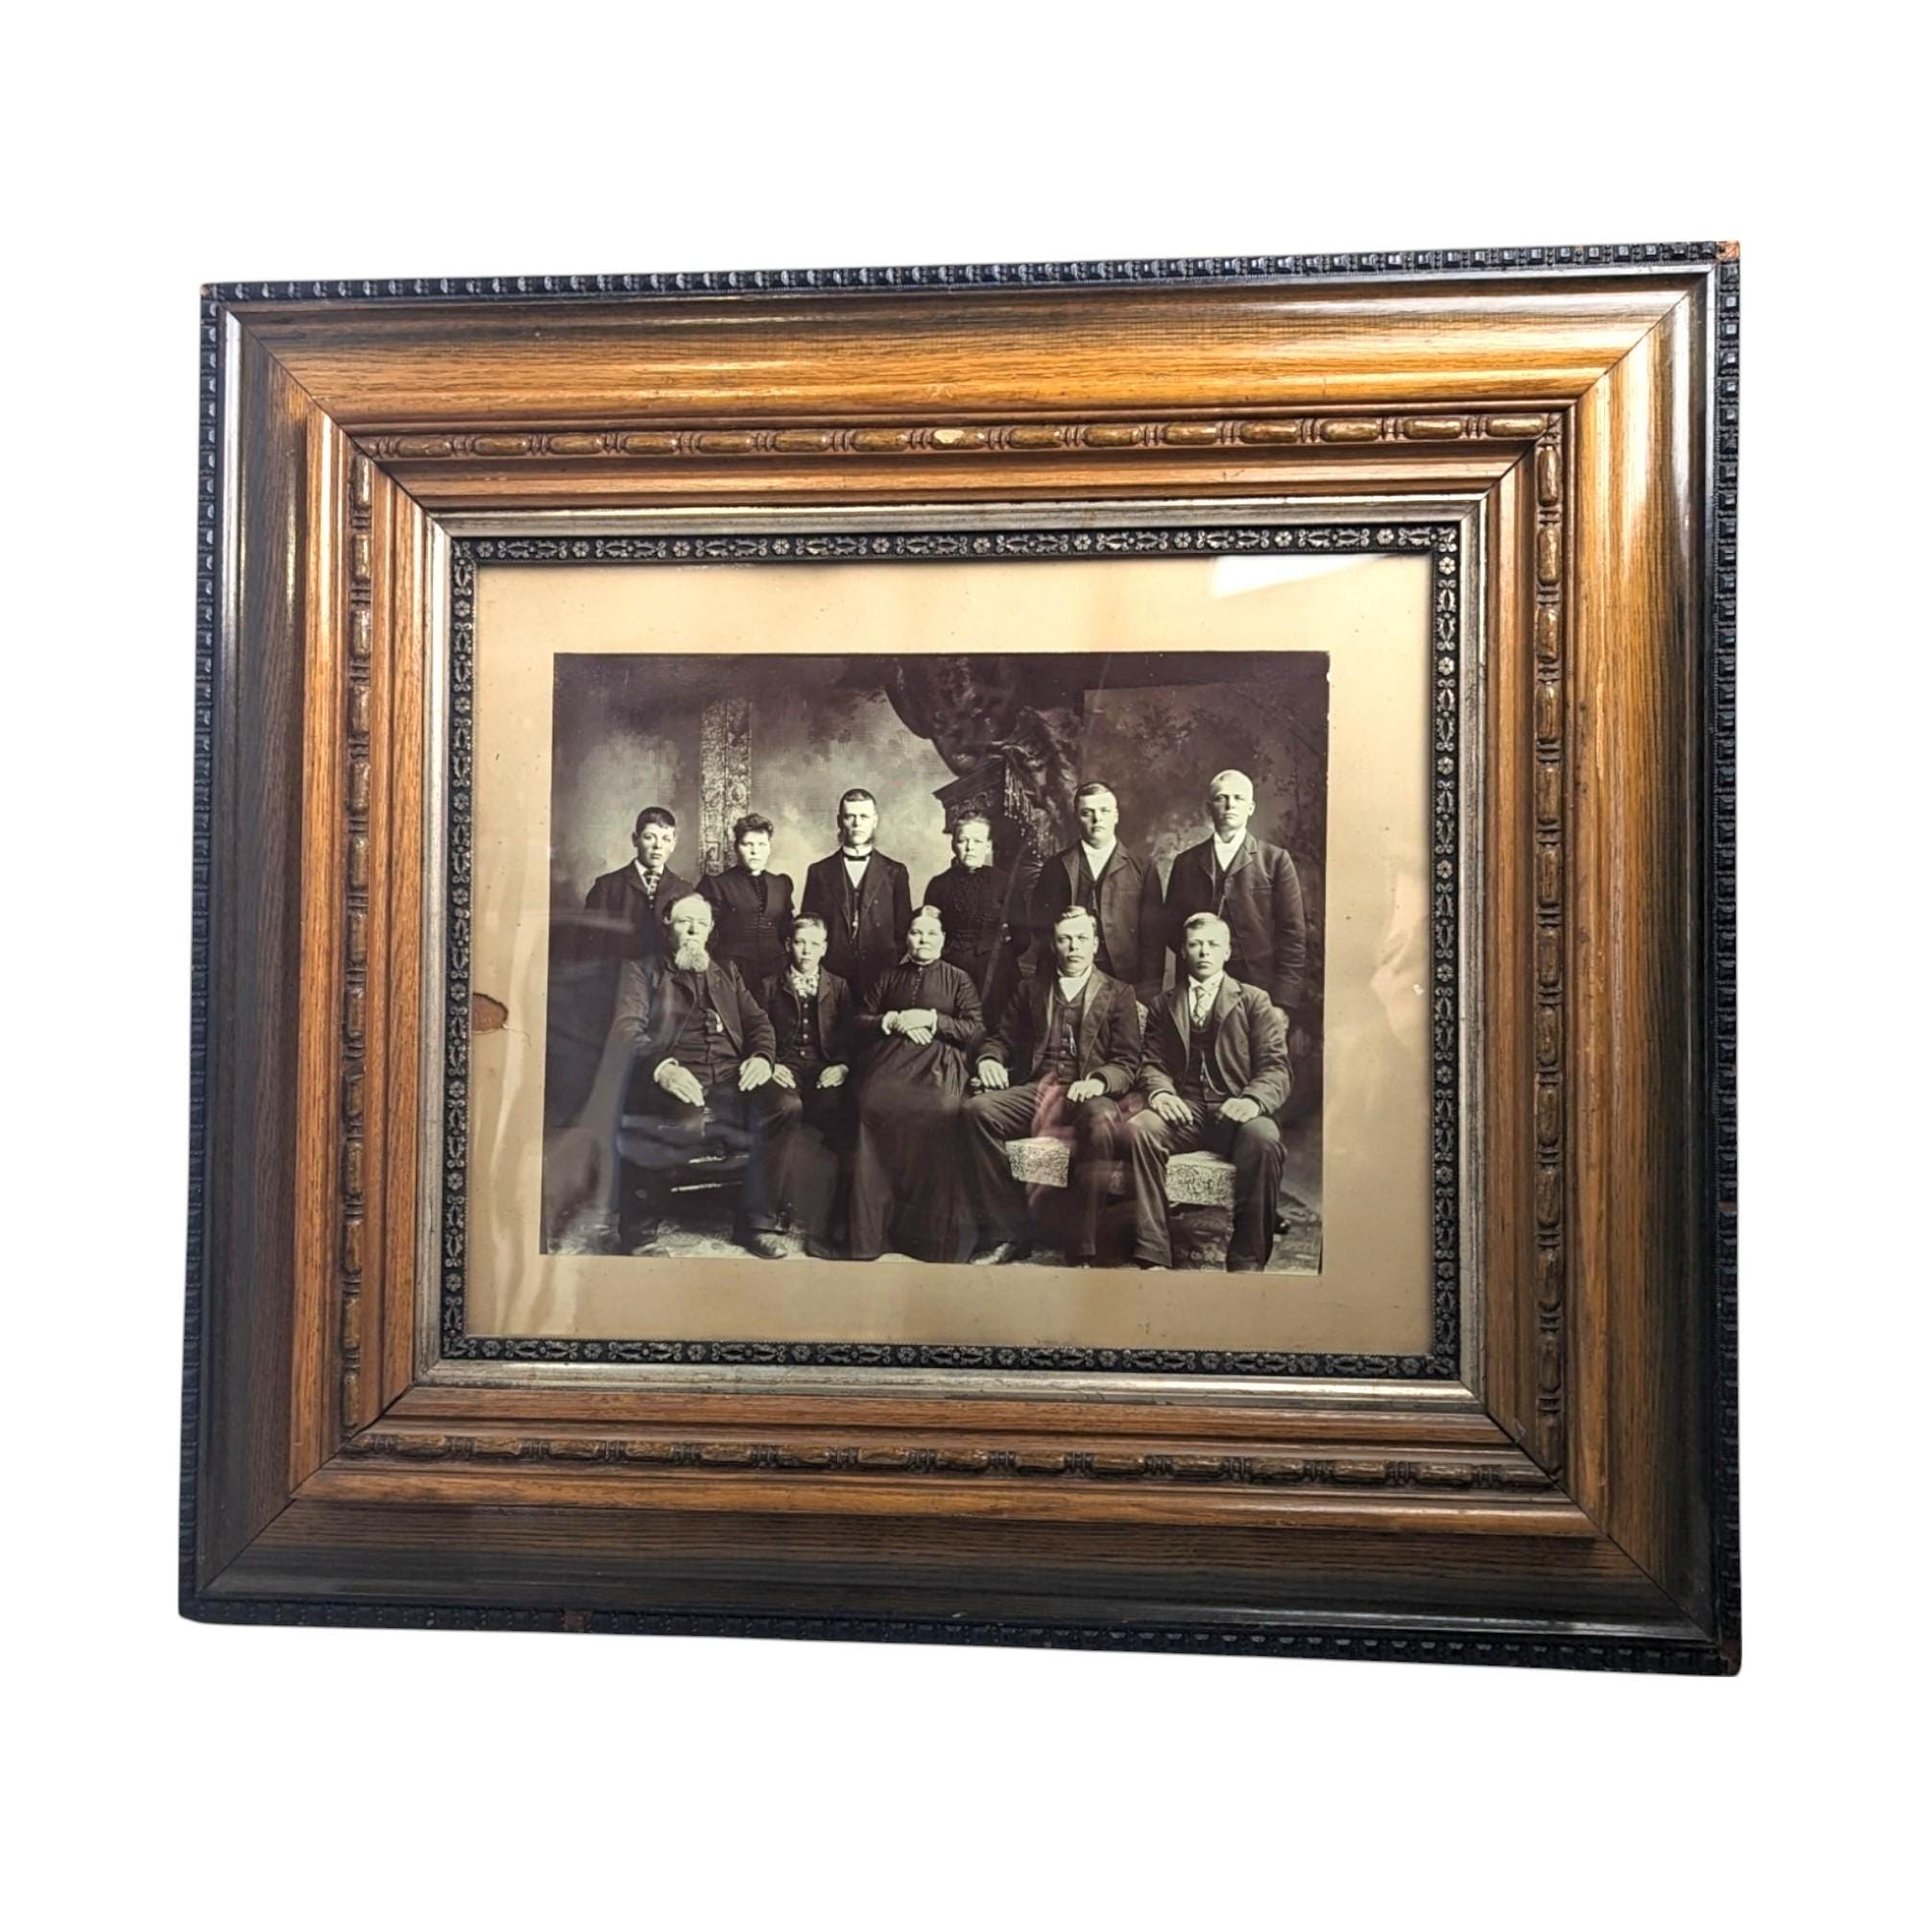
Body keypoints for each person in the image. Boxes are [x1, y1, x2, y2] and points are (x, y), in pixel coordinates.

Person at [550, 892, 798, 1259]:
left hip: (731, 1077)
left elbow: (758, 1021)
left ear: (711, 929)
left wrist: (762, 1057)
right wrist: (662, 1068)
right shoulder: (642, 969)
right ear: (668, 928)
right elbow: (626, 1030)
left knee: (785, 1105)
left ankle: (756, 1225)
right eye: (685, 921)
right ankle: (640, 1236)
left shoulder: (726, 971)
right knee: (682, 1121)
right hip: (670, 1077)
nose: (694, 929)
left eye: (701, 922)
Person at [962, 906, 1142, 1266]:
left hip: (1092, 1094)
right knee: (977, 1111)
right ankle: (1007, 1232)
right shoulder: (1031, 988)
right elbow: (1001, 1038)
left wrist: (1097, 1081)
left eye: (1080, 939)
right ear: (1053, 945)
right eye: (1064, 939)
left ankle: (1085, 1246)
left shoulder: (1119, 992)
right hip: (1040, 1090)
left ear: (1094, 944)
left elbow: (1127, 1062)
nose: (1072, 947)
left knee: (1100, 1122)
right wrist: (989, 1060)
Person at [1125, 912, 1292, 1272]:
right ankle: (1152, 1251)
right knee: (1141, 1128)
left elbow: (1276, 1067)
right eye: (1195, 945)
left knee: (1264, 1139)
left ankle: (1246, 1260)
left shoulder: (1253, 1001)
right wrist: (1161, 1095)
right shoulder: (1164, 1003)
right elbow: (1151, 1062)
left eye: (1213, 945)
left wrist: (1251, 1100)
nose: (1204, 952)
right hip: (1186, 1111)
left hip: (1236, 1111)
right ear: (1183, 952)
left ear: (1227, 952)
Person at [846, 905, 983, 1262]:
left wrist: (933, 1020)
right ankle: (872, 1234)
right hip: (891, 1060)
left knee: (942, 1110)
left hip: (939, 1063)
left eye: (931, 934)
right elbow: (859, 1020)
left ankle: (929, 1236)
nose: (923, 939)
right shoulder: (888, 976)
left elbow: (974, 1029)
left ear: (944, 940)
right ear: (907, 938)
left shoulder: (958, 979)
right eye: (917, 933)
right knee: (870, 1103)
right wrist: (892, 1020)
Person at [1157, 769, 1308, 1009]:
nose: (1230, 805)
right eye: (1221, 798)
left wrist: (1282, 1003)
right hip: (1197, 990)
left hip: (1258, 989)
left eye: (1238, 798)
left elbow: (1293, 936)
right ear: (1209, 808)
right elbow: (1171, 928)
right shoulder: (1186, 862)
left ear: (1250, 808)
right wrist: (1202, 958)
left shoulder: (1275, 860)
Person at [758, 914, 855, 1258]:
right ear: (788, 945)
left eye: (815, 944)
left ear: (825, 948)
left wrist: (841, 1065)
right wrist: (770, 1063)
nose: (807, 950)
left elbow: (849, 1035)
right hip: (784, 1067)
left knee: (837, 1112)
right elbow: (757, 1030)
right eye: (800, 942)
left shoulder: (839, 986)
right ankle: (768, 1214)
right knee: (787, 1108)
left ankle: (828, 1215)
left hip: (823, 1066)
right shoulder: (769, 984)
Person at [1026, 781, 1156, 991]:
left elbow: (1153, 938)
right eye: (1087, 812)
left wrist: (1148, 991)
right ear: (1077, 818)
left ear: (1115, 816)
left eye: (1104, 810)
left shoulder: (1142, 868)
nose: (1097, 819)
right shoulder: (1056, 866)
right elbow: (1039, 923)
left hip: (1124, 977)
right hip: (1067, 977)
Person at [800, 788, 914, 1004]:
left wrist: (888, 963)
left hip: (881, 973)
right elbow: (809, 927)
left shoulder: (895, 872)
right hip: (832, 974)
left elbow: (903, 929)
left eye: (863, 816)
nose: (857, 823)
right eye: (850, 816)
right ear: (839, 820)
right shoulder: (819, 871)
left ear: (875, 821)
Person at [922, 809, 1019, 1024]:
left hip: (996, 972)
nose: (969, 847)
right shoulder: (938, 885)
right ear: (953, 844)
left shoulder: (1004, 882)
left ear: (987, 846)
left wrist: (1000, 955)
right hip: (951, 969)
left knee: (996, 1027)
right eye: (963, 840)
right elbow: (928, 932)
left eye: (977, 841)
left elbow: (1022, 937)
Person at [581, 805, 698, 968]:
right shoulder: (607, 886)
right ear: (635, 839)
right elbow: (592, 946)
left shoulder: (684, 889)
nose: (658, 846)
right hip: (617, 980)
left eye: (666, 839)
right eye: (649, 837)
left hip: (667, 982)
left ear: (673, 844)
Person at [699, 812, 793, 988]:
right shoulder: (717, 885)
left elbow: (787, 929)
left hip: (776, 972)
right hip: (732, 970)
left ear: (769, 848)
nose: (755, 851)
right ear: (736, 847)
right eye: (747, 844)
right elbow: (706, 936)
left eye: (761, 844)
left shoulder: (781, 884)